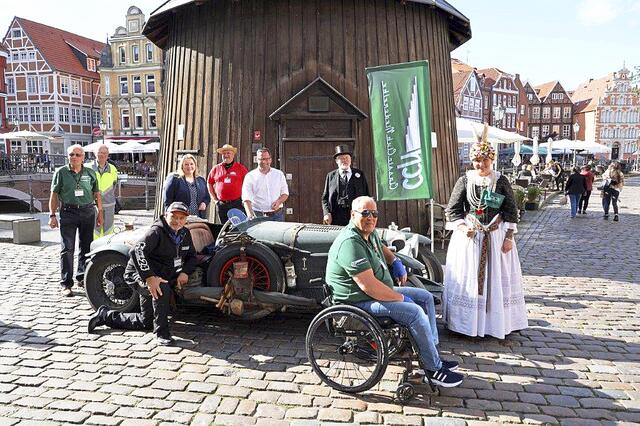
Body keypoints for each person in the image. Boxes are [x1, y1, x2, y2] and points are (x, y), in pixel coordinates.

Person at [325, 196, 463, 387]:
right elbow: (369, 287)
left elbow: (380, 247)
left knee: (425, 298)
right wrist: (401, 298)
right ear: (352, 215)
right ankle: (433, 369)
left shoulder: (368, 232)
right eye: (365, 213)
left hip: (373, 293)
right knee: (414, 311)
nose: (370, 217)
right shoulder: (350, 243)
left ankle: (430, 354)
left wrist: (395, 261)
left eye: (374, 213)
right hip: (357, 301)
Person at [443, 134, 528, 339]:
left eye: (485, 160)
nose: (481, 164)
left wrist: (509, 237)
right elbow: (452, 210)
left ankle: (494, 323)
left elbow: (511, 210)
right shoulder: (464, 180)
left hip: (496, 236)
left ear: (492, 160)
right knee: (469, 280)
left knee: (496, 280)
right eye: (477, 160)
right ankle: (466, 324)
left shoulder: (500, 180)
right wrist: (463, 228)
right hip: (470, 239)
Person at [87, 202, 197, 346]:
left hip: (162, 275)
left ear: (185, 220)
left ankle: (105, 316)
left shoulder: (184, 233)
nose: (177, 221)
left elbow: (192, 256)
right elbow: (137, 251)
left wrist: (185, 272)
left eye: (181, 218)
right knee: (161, 288)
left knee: (146, 321)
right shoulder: (156, 231)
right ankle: (162, 333)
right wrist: (150, 278)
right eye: (174, 217)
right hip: (139, 274)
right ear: (166, 215)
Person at [48, 144, 103, 297]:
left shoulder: (90, 173)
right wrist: (52, 215)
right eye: (71, 154)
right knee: (67, 248)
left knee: (86, 248)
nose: (74, 157)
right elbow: (54, 195)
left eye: (78, 155)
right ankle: (66, 283)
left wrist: (100, 213)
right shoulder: (61, 172)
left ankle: (82, 277)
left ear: (83, 157)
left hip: (87, 211)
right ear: (68, 156)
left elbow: (96, 193)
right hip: (68, 212)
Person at [321, 145, 370, 226]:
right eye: (341, 158)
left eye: (347, 157)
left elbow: (366, 196)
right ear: (337, 161)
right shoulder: (330, 176)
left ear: (350, 159)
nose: (345, 160)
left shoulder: (359, 174)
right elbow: (324, 198)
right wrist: (326, 213)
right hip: (336, 216)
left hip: (356, 215)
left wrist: (366, 214)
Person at [242, 148, 289, 221]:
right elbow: (246, 199)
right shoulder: (250, 176)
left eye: (266, 159)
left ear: (270, 159)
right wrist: (250, 215)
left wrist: (279, 201)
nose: (264, 161)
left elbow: (285, 193)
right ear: (257, 160)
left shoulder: (279, 174)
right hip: (258, 216)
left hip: (277, 215)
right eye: (261, 159)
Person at [207, 144, 248, 223]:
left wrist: (245, 200)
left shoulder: (241, 168)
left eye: (228, 153)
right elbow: (209, 183)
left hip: (237, 204)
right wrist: (215, 200)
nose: (226, 155)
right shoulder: (216, 169)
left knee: (239, 228)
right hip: (222, 204)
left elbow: (248, 183)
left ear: (233, 154)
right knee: (224, 228)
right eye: (224, 153)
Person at [163, 154, 211, 218]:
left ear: (195, 165)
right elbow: (167, 199)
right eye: (186, 164)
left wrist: (204, 203)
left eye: (191, 164)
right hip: (179, 217)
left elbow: (207, 197)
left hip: (198, 217)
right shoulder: (175, 179)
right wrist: (169, 215)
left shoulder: (201, 180)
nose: (189, 166)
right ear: (182, 166)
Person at [87, 145, 119, 238]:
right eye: (99, 152)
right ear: (94, 154)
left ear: (108, 155)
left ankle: (107, 250)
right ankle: (94, 249)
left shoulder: (112, 169)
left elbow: (114, 185)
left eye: (104, 153)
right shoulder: (88, 168)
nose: (102, 155)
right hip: (92, 205)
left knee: (108, 230)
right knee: (94, 230)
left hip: (108, 205)